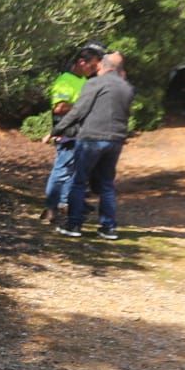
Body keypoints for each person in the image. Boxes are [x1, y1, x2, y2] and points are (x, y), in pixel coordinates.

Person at [52, 51, 135, 240]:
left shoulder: (95, 83)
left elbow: (78, 111)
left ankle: (73, 225)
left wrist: (58, 129)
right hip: (116, 140)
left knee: (79, 181)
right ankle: (108, 228)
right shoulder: (127, 87)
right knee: (107, 184)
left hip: (92, 138)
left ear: (102, 66)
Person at [42, 45, 106, 223]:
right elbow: (59, 107)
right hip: (68, 134)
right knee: (62, 170)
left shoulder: (83, 80)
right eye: (91, 66)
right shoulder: (65, 81)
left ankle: (66, 203)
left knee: (74, 172)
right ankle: (51, 207)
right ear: (81, 62)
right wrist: (84, 106)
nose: (93, 70)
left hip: (82, 134)